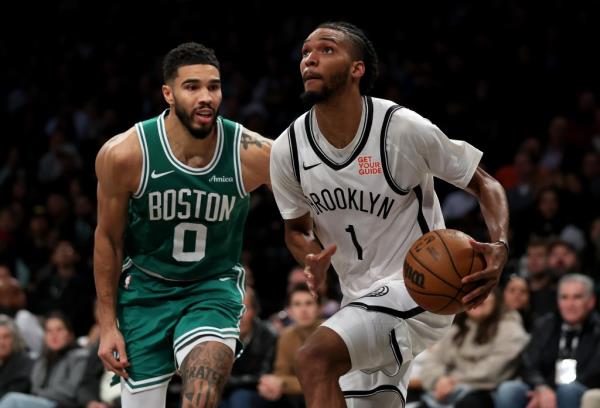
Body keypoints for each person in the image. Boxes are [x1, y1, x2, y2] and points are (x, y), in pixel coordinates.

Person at [269, 21, 509, 407]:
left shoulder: (401, 129)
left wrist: (499, 244)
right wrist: (309, 257)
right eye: (305, 53)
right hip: (358, 299)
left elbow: (485, 184)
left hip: (419, 288)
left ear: (356, 69)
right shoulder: (288, 151)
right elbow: (296, 228)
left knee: (314, 359)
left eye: (326, 50)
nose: (310, 59)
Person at [94, 42, 271, 408]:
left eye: (214, 86)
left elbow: (302, 201)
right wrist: (107, 324)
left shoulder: (251, 152)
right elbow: (109, 240)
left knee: (201, 395)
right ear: (168, 93)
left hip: (211, 287)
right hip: (144, 291)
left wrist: (308, 242)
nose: (206, 96)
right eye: (192, 86)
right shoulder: (125, 154)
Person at [495, 274, 600, 408]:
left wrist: (554, 389)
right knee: (509, 390)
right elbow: (528, 363)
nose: (570, 304)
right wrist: (541, 387)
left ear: (591, 301)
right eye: (564, 297)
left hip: (582, 387)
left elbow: (594, 372)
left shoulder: (597, 329)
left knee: (567, 391)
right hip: (544, 386)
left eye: (577, 297)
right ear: (558, 301)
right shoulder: (545, 325)